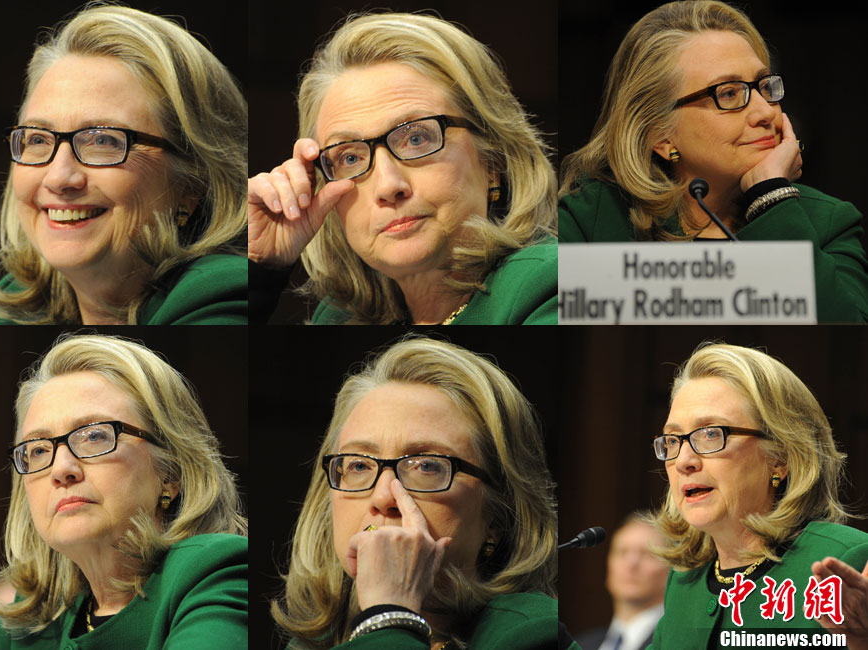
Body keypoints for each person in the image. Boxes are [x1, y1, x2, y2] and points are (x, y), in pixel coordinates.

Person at [558, 1, 868, 323]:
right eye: (729, 94)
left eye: (764, 86)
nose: (765, 112)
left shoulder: (828, 223)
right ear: (660, 135)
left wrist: (771, 200)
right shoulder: (587, 221)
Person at [0, 333, 248, 649]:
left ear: (170, 472)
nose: (60, 470)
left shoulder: (213, 573)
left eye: (94, 436)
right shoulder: (33, 623)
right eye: (38, 450)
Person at [248, 12, 558, 325]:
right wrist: (262, 270)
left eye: (416, 138)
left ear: (493, 159)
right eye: (350, 157)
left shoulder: (558, 277)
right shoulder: (338, 315)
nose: (388, 186)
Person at [270, 337, 571, 649]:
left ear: (498, 516)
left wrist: (389, 614)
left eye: (426, 466)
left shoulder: (532, 635)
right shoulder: (307, 645)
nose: (383, 498)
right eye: (359, 465)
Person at [0, 5, 249, 325]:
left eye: (103, 141)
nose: (60, 177)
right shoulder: (6, 312)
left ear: (190, 184)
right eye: (38, 139)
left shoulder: (221, 298)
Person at [647, 342, 868, 648]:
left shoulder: (850, 560)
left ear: (781, 456)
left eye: (711, 433)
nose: (684, 461)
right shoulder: (684, 580)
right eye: (673, 440)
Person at [577, 513, 667, 650]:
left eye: (647, 553)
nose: (631, 563)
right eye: (622, 552)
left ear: (672, 570)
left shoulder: (678, 642)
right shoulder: (580, 644)